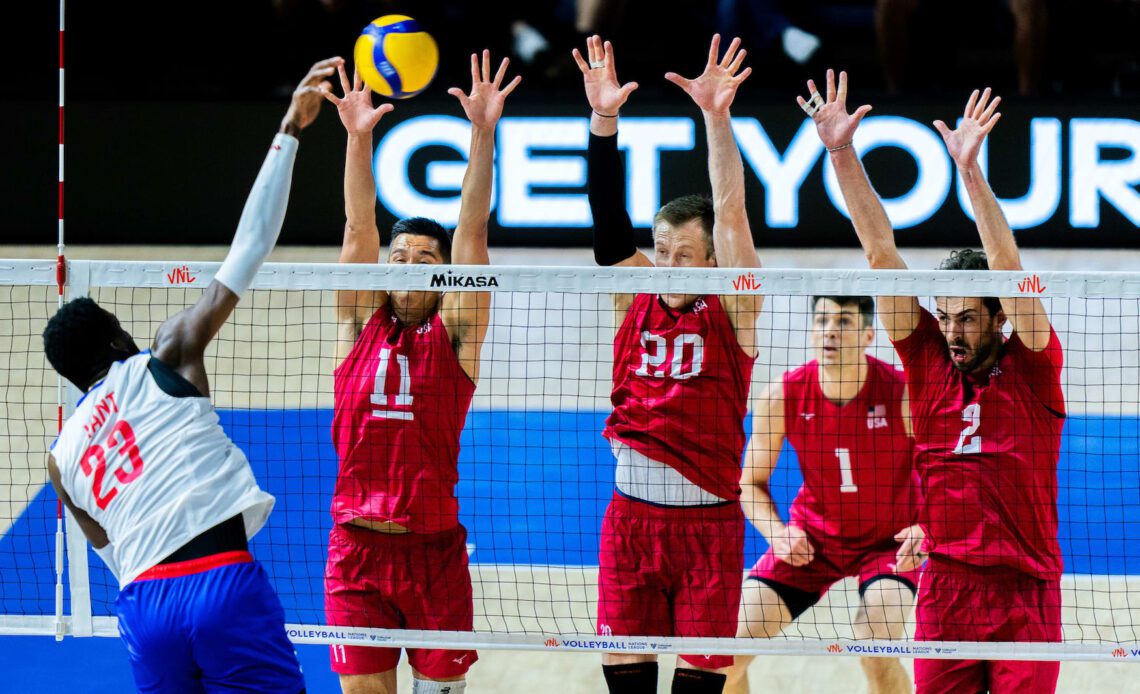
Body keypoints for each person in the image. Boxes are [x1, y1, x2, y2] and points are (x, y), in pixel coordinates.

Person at [42, 57, 339, 693]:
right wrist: (289, 129)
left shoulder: (61, 458)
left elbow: (106, 547)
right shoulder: (168, 353)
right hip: (219, 584)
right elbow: (247, 250)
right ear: (120, 338)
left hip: (144, 608)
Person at [802, 69, 1064, 693]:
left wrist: (970, 173)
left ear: (998, 317)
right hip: (945, 587)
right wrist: (841, 153)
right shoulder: (925, 359)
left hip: (1024, 592)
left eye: (967, 318)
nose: (951, 331)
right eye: (943, 316)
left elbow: (1007, 265)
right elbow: (879, 253)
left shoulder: (1033, 365)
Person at [321, 51, 519, 694]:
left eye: (423, 258)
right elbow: (358, 226)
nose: (407, 264)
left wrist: (482, 134)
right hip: (355, 554)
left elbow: (473, 232)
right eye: (399, 255)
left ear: (441, 276)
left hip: (433, 555)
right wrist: (358, 139)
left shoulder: (456, 333)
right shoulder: (359, 326)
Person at [575, 34, 763, 693]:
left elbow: (733, 213)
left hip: (709, 529)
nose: (670, 265)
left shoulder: (734, 308)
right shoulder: (636, 291)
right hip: (630, 524)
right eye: (662, 251)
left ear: (711, 261)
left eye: (685, 254)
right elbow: (605, 220)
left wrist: (716, 118)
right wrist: (605, 121)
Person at [727, 295, 923, 694]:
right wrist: (777, 533)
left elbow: (943, 474)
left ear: (869, 334)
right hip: (812, 540)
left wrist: (928, 525)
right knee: (725, 652)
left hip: (890, 543)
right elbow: (748, 483)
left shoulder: (904, 393)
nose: (830, 330)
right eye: (822, 320)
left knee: (875, 649)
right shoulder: (782, 395)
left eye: (845, 321)